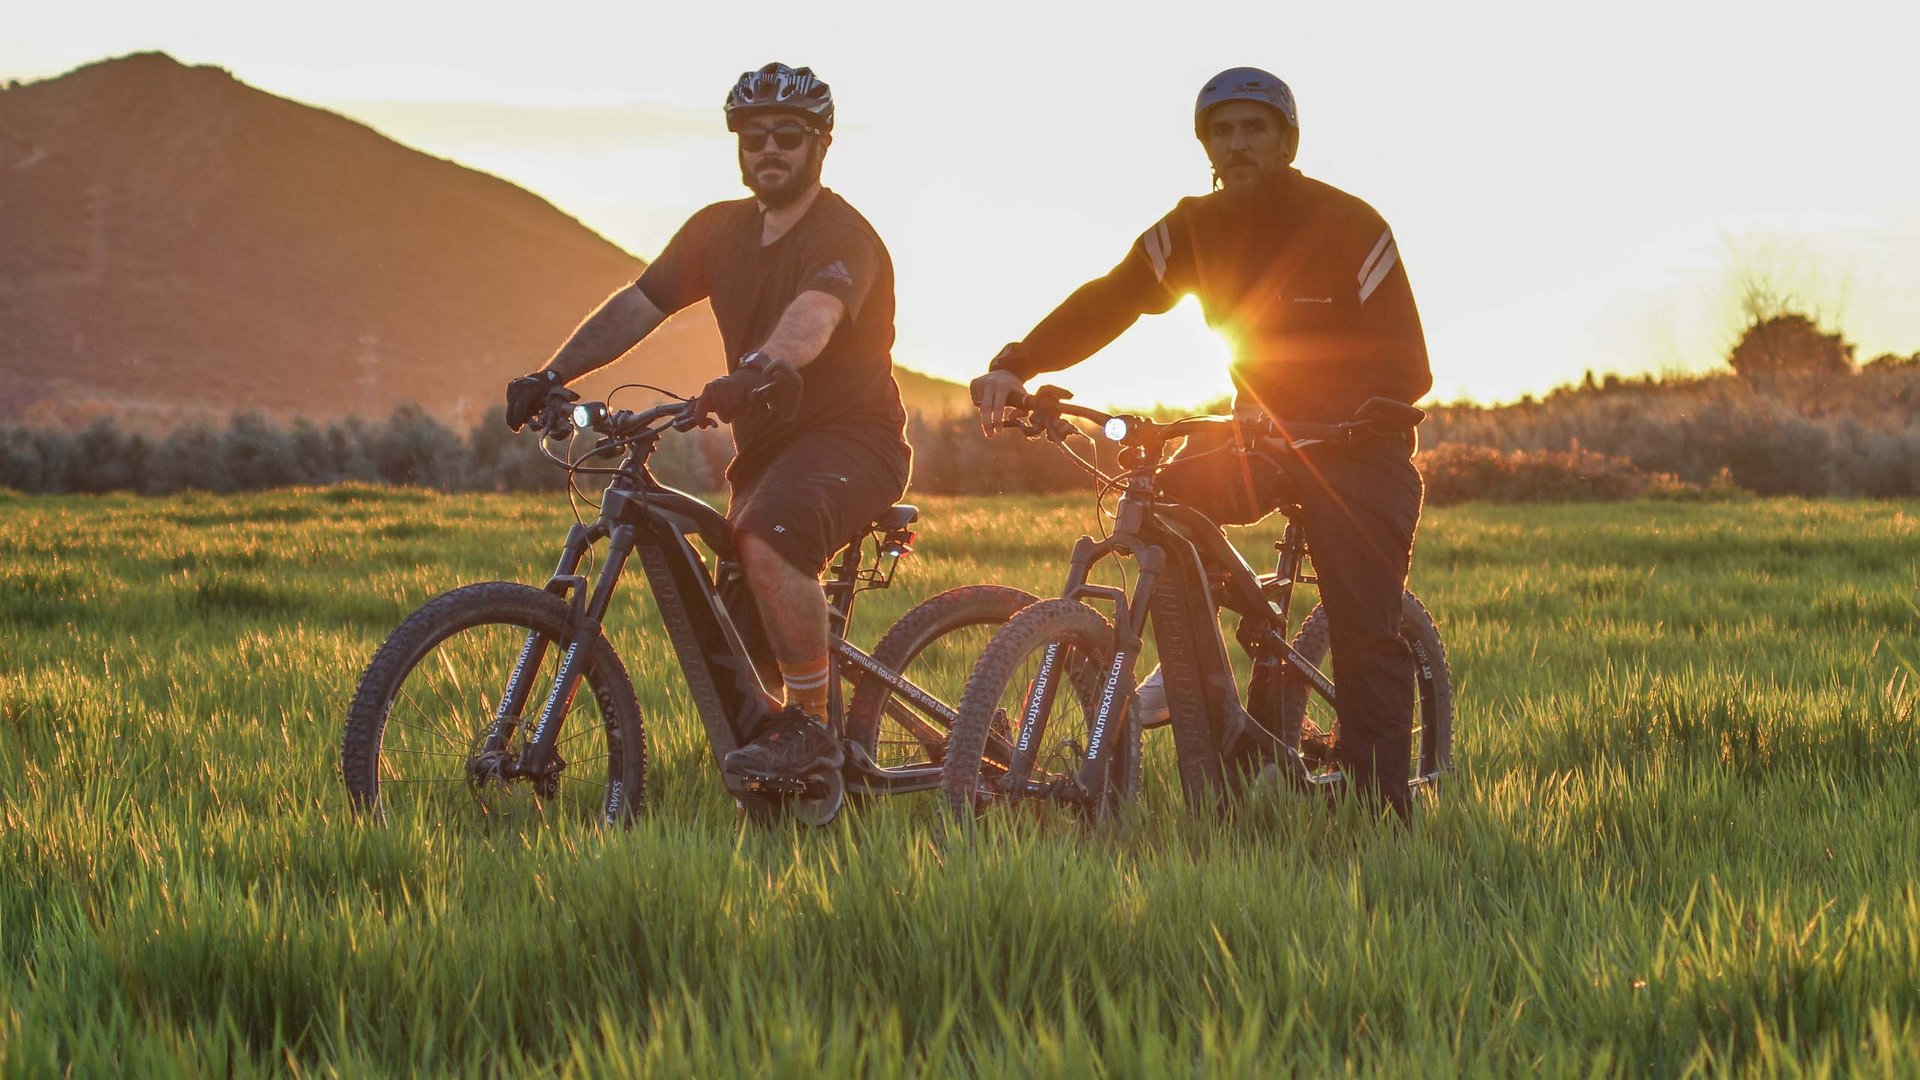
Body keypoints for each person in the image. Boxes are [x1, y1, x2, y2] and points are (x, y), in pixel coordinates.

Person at [971, 67, 1433, 819]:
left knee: (1364, 635)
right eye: (1223, 131)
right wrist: (1017, 363)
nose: (1238, 143)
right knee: (1164, 503)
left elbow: (1408, 363)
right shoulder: (1192, 226)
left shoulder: (1351, 225)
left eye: (1255, 128)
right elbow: (1112, 298)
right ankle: (1202, 687)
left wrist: (1364, 413)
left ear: (1285, 140)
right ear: (1206, 146)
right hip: (1261, 438)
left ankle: (1379, 820)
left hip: (1358, 447)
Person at [504, 63, 911, 781]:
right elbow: (639, 303)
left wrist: (758, 368)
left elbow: (812, 317)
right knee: (741, 609)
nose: (770, 149)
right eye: (754, 137)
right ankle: (780, 769)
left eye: (789, 135)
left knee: (767, 539)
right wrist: (552, 375)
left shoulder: (843, 237)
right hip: (768, 451)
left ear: (821, 145)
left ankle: (813, 729)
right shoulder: (717, 230)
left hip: (855, 440)